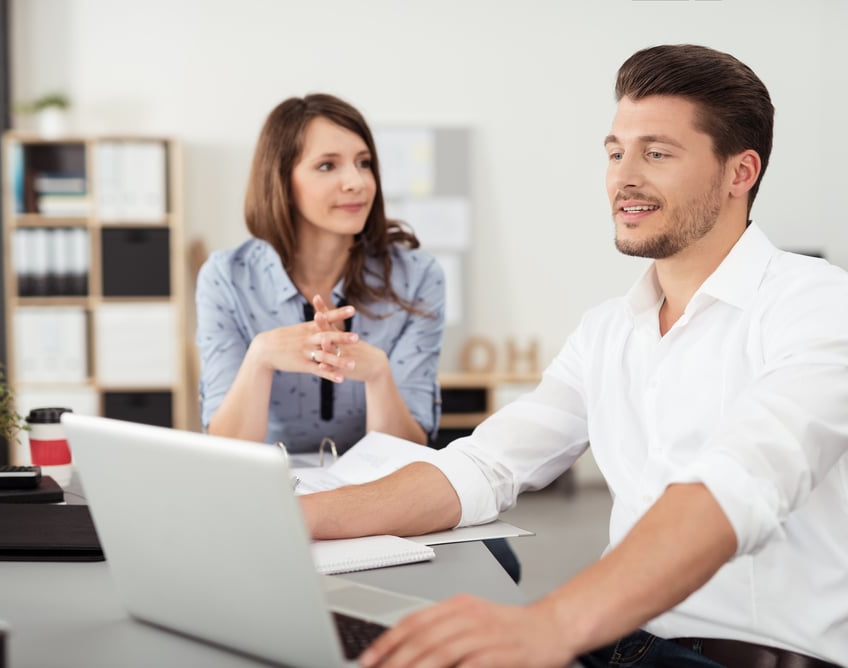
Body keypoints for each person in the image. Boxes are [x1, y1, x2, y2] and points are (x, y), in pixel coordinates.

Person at [301, 44, 848, 668]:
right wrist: (289, 518)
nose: (624, 177)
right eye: (615, 152)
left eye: (657, 153)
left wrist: (550, 624)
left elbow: (739, 484)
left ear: (739, 173)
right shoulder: (607, 329)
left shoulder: (818, 304)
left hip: (746, 655)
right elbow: (483, 466)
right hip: (622, 643)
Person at [196, 93, 445, 451]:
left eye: (364, 163)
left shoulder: (418, 277)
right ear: (281, 180)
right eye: (328, 165)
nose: (357, 182)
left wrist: (377, 375)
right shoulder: (226, 277)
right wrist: (261, 356)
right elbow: (226, 451)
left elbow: (407, 452)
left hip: (374, 492)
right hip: (266, 491)